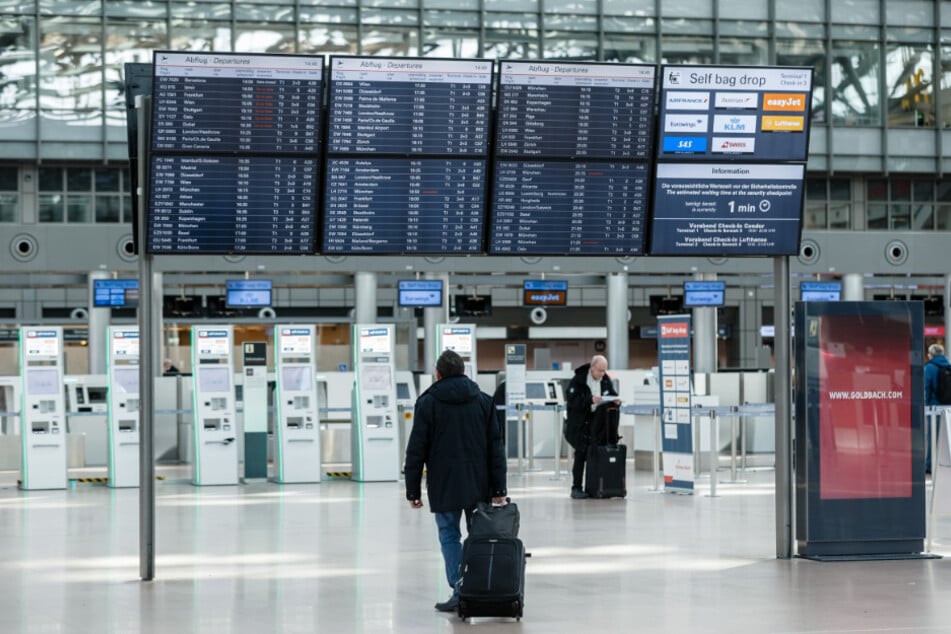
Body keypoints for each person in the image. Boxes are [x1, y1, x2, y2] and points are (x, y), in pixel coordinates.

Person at [404, 350, 507, 613]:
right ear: (464, 371)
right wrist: (499, 488)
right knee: (479, 536)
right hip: (479, 483)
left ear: (437, 374)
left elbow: (417, 449)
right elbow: (496, 447)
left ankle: (460, 590)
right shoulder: (483, 401)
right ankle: (480, 587)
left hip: (444, 483)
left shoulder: (428, 402)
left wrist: (413, 489)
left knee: (450, 535)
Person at [563, 354, 619, 499]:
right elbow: (572, 400)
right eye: (599, 370)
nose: (602, 374)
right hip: (580, 424)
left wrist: (615, 400)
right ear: (592, 367)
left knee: (596, 454)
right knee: (581, 454)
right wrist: (590, 400)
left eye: (604, 371)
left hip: (597, 423)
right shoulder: (579, 380)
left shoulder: (605, 380)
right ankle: (576, 487)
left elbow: (611, 394)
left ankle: (595, 486)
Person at [925, 343, 950, 471]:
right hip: (948, 407)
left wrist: (925, 403)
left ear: (931, 355)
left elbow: (926, 388)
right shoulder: (949, 365)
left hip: (935, 408)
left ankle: (930, 465)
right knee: (947, 437)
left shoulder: (929, 367)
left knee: (933, 437)